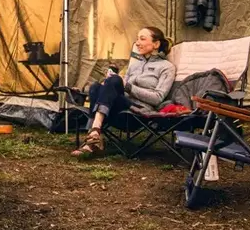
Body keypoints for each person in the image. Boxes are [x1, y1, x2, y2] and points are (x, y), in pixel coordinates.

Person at [71, 27, 176, 157]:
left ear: (156, 44)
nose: (137, 43)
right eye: (137, 39)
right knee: (96, 87)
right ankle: (95, 133)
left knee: (113, 80)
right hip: (119, 108)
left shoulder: (167, 67)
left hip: (138, 112)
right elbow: (119, 86)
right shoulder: (134, 65)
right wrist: (108, 85)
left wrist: (128, 86)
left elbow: (158, 98)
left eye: (142, 39)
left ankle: (92, 135)